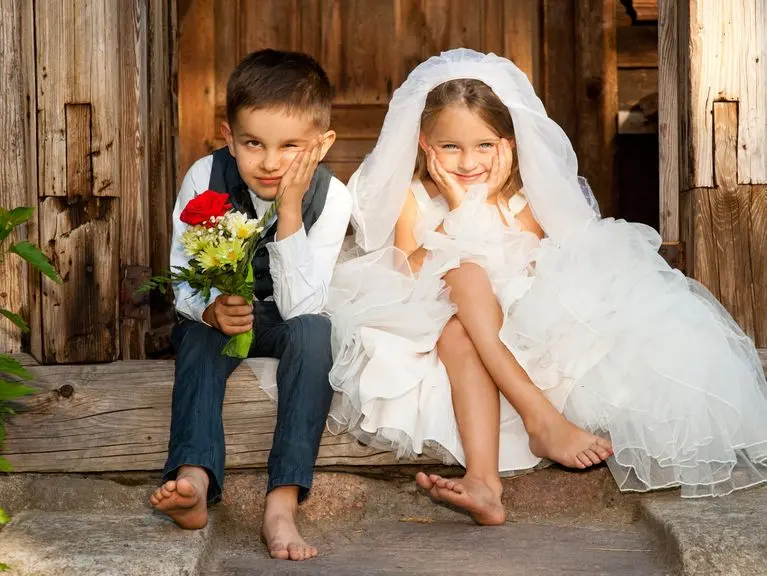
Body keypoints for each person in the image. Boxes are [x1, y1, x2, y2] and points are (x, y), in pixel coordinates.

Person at [325, 48, 767, 526]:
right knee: (462, 286)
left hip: (513, 321)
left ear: (509, 144)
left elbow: (541, 270)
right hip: (426, 315)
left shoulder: (522, 201)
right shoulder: (416, 199)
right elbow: (404, 271)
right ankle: (522, 441)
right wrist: (457, 214)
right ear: (424, 145)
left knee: (465, 307)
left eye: (484, 146)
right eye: (450, 147)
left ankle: (495, 469)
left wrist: (475, 223)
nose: (468, 161)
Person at [149, 49, 352, 561]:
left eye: (290, 146)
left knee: (316, 332)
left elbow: (303, 303)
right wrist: (210, 310)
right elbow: (184, 277)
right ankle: (193, 478)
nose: (269, 162)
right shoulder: (205, 176)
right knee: (196, 334)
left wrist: (289, 210)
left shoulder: (333, 198)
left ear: (322, 145)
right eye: (252, 143)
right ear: (228, 136)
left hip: (287, 321)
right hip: (223, 317)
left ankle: (282, 503)